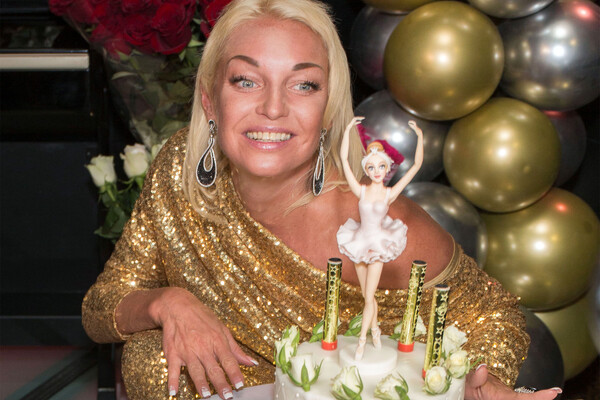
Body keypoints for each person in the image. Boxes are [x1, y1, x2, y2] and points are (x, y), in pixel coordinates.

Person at [81, 1, 563, 400]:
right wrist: (168, 302)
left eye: (304, 85)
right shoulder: (178, 170)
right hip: (230, 387)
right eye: (246, 80)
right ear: (210, 99)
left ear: (329, 111)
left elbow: (492, 313)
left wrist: (483, 379)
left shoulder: (372, 221)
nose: (272, 108)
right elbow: (101, 307)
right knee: (150, 354)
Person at [337, 117, 423, 360]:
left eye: (381, 167)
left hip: (378, 245)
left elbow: (416, 165)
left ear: (387, 169)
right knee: (367, 296)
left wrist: (419, 136)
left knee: (369, 297)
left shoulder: (389, 193)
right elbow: (344, 160)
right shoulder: (361, 190)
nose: (377, 172)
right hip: (359, 242)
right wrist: (348, 130)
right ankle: (375, 330)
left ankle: (362, 341)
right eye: (372, 168)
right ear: (367, 170)